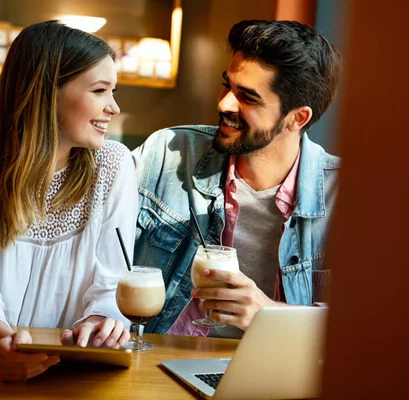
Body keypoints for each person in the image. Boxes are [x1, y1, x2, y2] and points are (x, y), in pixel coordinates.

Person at [0, 20, 137, 392]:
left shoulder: (114, 164)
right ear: (46, 92)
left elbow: (110, 284)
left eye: (114, 91)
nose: (115, 107)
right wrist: (1, 344)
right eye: (100, 90)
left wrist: (101, 321)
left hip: (71, 363)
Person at [132, 20, 342, 338]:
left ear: (298, 118)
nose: (224, 103)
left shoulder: (344, 194)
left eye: (248, 97)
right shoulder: (168, 152)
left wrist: (266, 313)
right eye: (227, 85)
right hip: (159, 366)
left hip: (276, 379)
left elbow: (366, 324)